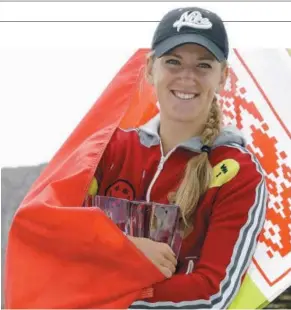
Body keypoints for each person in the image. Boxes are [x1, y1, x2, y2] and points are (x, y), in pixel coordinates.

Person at [87, 6, 268, 308]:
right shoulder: (105, 150)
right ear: (149, 68)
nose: (187, 77)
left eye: (203, 65)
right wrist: (125, 247)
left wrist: (105, 294)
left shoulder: (238, 173)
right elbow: (52, 232)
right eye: (173, 61)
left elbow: (212, 293)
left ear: (223, 77)